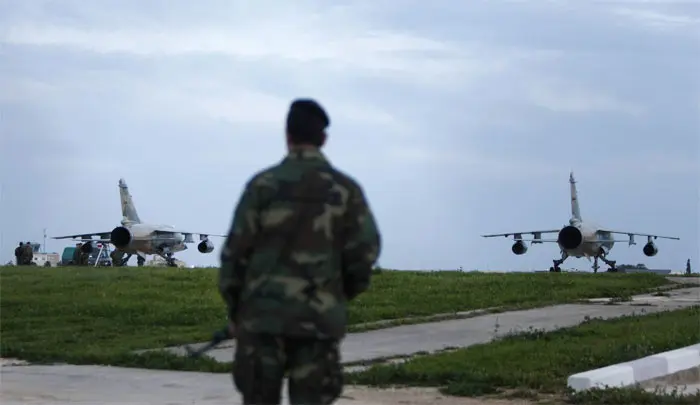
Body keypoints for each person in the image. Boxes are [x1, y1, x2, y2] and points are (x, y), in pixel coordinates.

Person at [219, 98, 382, 405]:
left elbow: (234, 255)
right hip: (318, 324)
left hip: (262, 322)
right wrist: (335, 295)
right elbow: (364, 252)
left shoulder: (262, 187)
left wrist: (237, 309)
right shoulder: (345, 190)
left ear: (288, 135)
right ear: (323, 139)